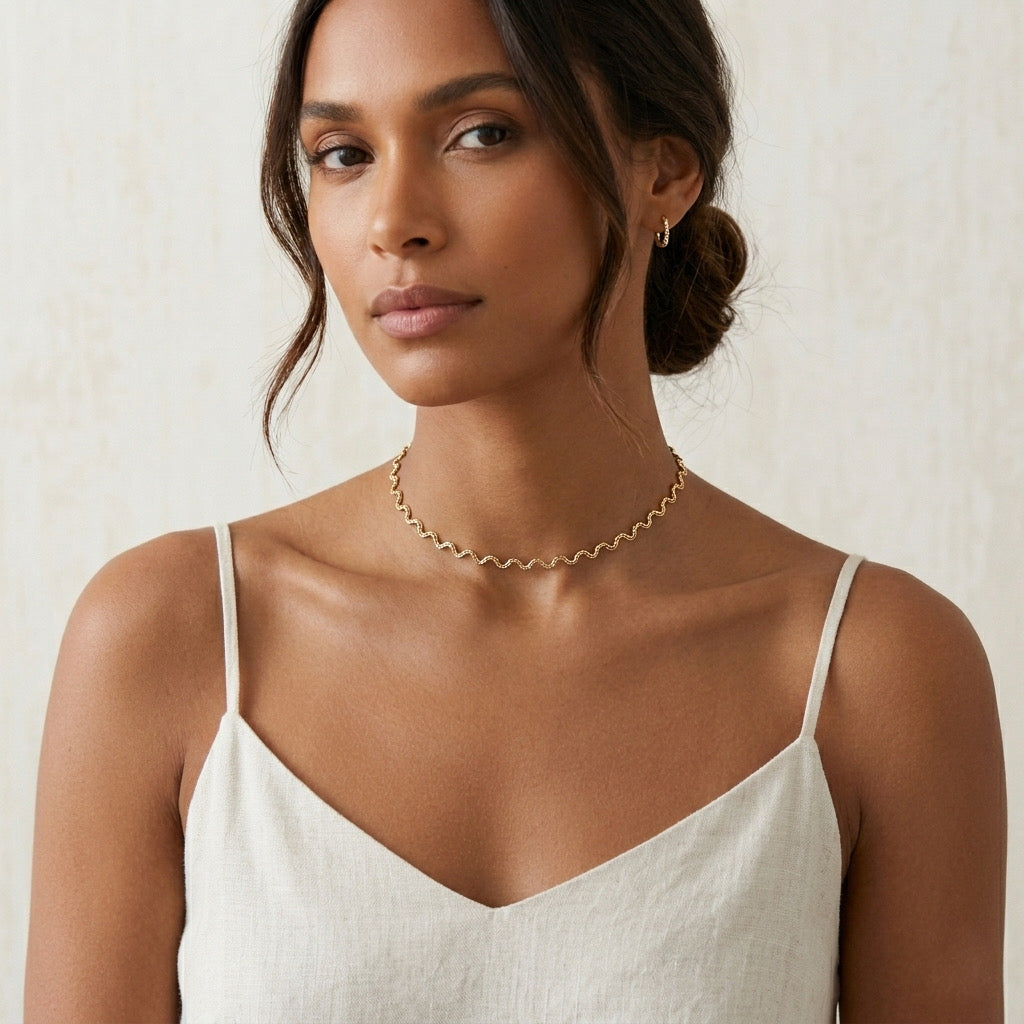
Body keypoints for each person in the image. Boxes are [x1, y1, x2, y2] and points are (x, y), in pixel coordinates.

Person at [25, 0, 1006, 1020]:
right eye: (343, 154)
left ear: (664, 170)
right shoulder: (174, 638)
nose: (394, 221)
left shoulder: (871, 670)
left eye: (481, 134)